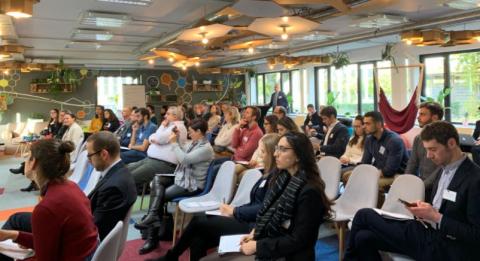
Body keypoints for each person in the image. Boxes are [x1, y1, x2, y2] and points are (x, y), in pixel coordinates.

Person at [344, 121, 480, 261]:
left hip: (446, 246)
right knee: (363, 238)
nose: (428, 156)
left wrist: (436, 217)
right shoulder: (444, 168)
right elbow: (443, 208)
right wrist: (425, 211)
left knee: (363, 215)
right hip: (428, 231)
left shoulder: (475, 179)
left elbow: (476, 235)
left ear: (451, 143)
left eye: (433, 149)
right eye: (427, 149)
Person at [202, 132, 332, 260]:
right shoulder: (282, 178)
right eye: (277, 149)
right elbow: (269, 213)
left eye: (283, 149)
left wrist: (257, 246)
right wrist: (255, 233)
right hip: (270, 243)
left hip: (288, 254)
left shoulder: (310, 191)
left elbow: (299, 240)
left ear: (298, 155)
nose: (276, 154)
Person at [151, 134, 280, 261]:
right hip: (247, 218)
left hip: (253, 226)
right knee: (198, 237)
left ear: (272, 154)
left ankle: (171, 257)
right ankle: (171, 257)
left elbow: (263, 208)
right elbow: (255, 203)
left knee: (198, 221)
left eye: (262, 151)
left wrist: (235, 211)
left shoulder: (276, 178)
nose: (259, 155)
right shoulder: (268, 173)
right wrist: (234, 209)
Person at [0, 140, 98, 261]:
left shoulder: (46, 208)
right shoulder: (70, 186)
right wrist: (13, 235)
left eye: (28, 157)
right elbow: (51, 244)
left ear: (33, 163)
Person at [135, 119, 214, 254]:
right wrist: (177, 140)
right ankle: (153, 222)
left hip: (192, 184)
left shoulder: (206, 148)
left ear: (199, 132)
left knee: (158, 197)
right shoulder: (196, 143)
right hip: (183, 178)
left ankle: (152, 237)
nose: (189, 134)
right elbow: (184, 152)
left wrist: (173, 144)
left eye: (191, 132)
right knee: (157, 179)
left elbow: (184, 159)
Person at [344, 111, 408, 204]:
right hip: (379, 171)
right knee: (348, 176)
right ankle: (356, 203)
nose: (364, 126)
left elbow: (389, 170)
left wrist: (369, 175)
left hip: (396, 174)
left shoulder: (394, 140)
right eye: (364, 123)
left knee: (372, 183)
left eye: (367, 123)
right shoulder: (369, 139)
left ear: (379, 124)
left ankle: (376, 211)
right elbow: (365, 162)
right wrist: (359, 172)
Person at [86, 131, 137, 240]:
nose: (88, 160)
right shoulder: (119, 172)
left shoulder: (114, 188)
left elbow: (93, 228)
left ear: (104, 154)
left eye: (90, 155)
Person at [128, 106, 187, 190]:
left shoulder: (178, 127)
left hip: (164, 164)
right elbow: (152, 137)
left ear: (175, 116)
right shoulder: (169, 126)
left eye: (168, 114)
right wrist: (155, 138)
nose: (165, 116)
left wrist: (161, 128)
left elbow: (159, 139)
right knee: (126, 170)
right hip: (152, 160)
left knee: (131, 177)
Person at [405, 102, 444, 191]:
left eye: (422, 114)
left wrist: (422, 186)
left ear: (434, 118)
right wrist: (406, 182)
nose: (418, 117)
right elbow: (412, 163)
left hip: (439, 185)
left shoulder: (444, 139)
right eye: (419, 114)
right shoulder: (418, 138)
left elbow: (442, 168)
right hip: (422, 183)